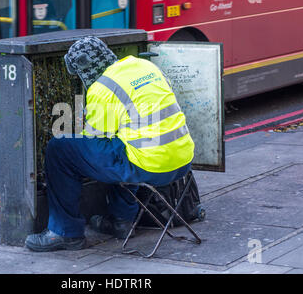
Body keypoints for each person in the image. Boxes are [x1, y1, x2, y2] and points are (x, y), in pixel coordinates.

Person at [25, 36, 195, 252]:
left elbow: (95, 138)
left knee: (60, 149)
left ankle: (65, 233)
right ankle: (122, 221)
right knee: (127, 143)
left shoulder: (102, 87)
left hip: (151, 167)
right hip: (183, 161)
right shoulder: (144, 65)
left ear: (85, 69)